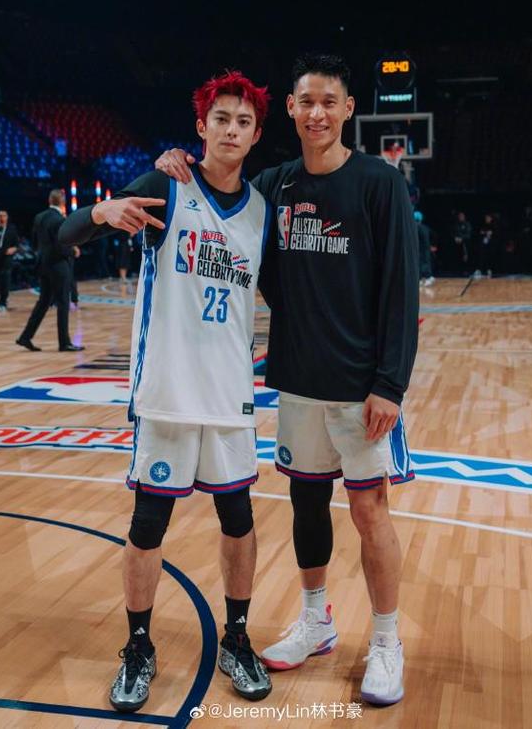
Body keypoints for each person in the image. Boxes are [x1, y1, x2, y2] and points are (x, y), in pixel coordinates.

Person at [156, 53, 419, 706]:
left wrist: (390, 383)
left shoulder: (379, 184)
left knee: (370, 510)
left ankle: (387, 641)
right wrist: (176, 161)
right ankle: (315, 620)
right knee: (306, 504)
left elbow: (400, 289)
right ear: (293, 110)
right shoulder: (274, 185)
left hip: (362, 386)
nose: (317, 113)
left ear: (348, 109)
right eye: (306, 102)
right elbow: (221, 192)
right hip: (298, 379)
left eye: (329, 101)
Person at [59, 71, 274, 711]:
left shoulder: (262, 210)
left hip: (229, 397)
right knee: (148, 524)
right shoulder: (166, 184)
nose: (231, 130)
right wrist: (100, 211)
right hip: (167, 392)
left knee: (239, 518)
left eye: (243, 122)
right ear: (201, 126)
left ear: (256, 135)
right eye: (221, 119)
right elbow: (67, 237)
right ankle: (138, 647)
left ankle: (237, 638)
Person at [16, 190, 84, 352]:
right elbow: (61, 244)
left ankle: (25, 337)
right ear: (63, 201)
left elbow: (34, 241)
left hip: (43, 264)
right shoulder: (60, 219)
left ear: (49, 200)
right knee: (63, 303)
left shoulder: (39, 217)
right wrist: (73, 251)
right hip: (58, 265)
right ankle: (64, 342)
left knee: (43, 302)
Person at [414, 210, 434, 285]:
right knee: (425, 262)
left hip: (421, 249)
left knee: (422, 263)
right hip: (426, 248)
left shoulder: (416, 227)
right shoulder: (425, 227)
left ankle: (428, 277)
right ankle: (425, 278)